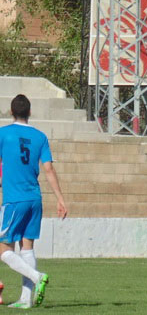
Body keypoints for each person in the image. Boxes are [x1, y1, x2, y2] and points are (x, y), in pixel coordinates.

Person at [0, 94, 68, 308]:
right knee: (27, 247)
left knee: (3, 249)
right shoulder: (40, 137)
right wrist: (60, 199)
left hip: (14, 200)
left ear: (11, 112)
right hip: (35, 199)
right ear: (30, 112)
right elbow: (49, 169)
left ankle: (37, 276)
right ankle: (25, 300)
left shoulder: (3, 134)